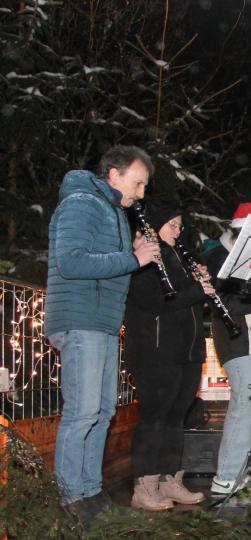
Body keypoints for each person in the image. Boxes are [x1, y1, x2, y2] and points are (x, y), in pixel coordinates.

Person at [46, 145, 160, 523]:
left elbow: (107, 267)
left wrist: (134, 251)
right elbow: (72, 261)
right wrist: (132, 258)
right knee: (81, 413)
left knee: (103, 411)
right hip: (81, 321)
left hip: (103, 323)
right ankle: (68, 498)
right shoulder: (82, 203)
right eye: (138, 183)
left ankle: (90, 491)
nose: (141, 193)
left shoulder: (113, 212)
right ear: (114, 174)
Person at [124, 202, 212, 510]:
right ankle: (144, 485)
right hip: (156, 349)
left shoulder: (180, 255)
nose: (177, 230)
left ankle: (170, 480)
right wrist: (197, 290)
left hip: (187, 349)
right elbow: (156, 301)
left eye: (179, 225)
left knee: (177, 417)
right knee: (155, 417)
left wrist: (200, 281)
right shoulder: (147, 254)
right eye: (172, 225)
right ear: (157, 225)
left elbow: (185, 299)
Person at [205, 201, 251, 495]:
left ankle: (237, 471)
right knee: (245, 401)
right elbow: (224, 302)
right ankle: (226, 474)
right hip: (232, 335)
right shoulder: (219, 256)